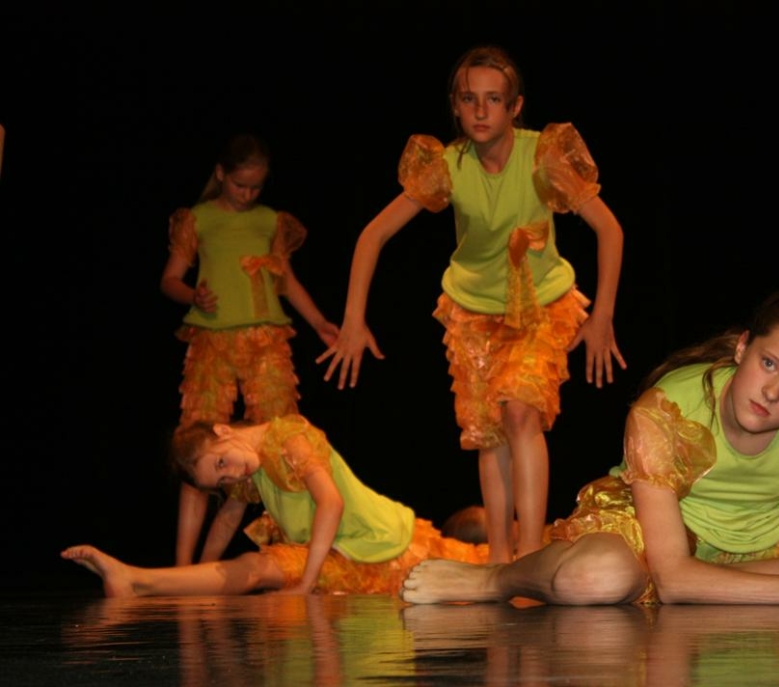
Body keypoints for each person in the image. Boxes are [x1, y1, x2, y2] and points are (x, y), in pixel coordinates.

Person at [400, 288, 779, 606]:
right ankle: (494, 581)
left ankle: (733, 585)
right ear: (742, 348)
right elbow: (674, 579)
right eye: (769, 364)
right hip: (664, 546)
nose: (773, 392)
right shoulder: (667, 409)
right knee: (597, 577)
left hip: (770, 544)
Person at [318, 45, 627, 564]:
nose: (481, 111)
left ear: (514, 107)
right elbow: (372, 235)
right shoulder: (447, 165)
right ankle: (501, 557)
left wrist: (602, 317)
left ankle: (531, 552)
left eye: (493, 99)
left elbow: (609, 229)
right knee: (490, 433)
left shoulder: (542, 156)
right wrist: (352, 321)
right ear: (456, 106)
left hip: (541, 304)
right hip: (473, 311)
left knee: (521, 412)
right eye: (469, 99)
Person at [61, 414, 490, 596]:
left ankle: (137, 579)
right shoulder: (250, 469)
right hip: (338, 553)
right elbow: (226, 521)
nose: (232, 475)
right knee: (256, 566)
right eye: (221, 479)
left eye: (222, 463)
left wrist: (306, 582)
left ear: (223, 431)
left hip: (383, 545)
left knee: (483, 565)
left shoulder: (287, 438)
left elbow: (331, 504)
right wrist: (192, 579)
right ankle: (136, 579)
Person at [160, 133, 340, 566]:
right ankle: (183, 566)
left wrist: (320, 323)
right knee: (200, 447)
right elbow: (169, 280)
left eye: (256, 187)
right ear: (221, 174)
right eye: (240, 185)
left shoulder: (269, 221)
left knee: (282, 440)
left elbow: (286, 282)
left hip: (266, 339)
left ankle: (298, 551)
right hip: (212, 340)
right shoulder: (199, 219)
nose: (247, 194)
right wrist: (192, 295)